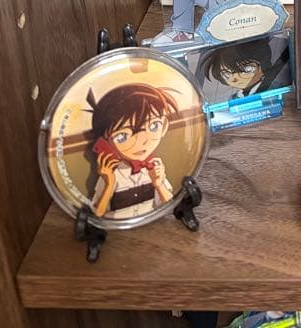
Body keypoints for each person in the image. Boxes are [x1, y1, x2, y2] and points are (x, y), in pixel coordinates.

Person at [88, 84, 177, 220]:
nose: (141, 141)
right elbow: (98, 214)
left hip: (152, 222)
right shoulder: (110, 174)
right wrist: (109, 185)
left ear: (164, 127)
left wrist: (158, 184)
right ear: (105, 141)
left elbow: (170, 205)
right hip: (116, 228)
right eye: (122, 136)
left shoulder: (155, 169)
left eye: (154, 126)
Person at [197, 37, 290, 99]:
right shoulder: (234, 98)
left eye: (246, 70)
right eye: (226, 74)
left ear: (263, 66)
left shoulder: (275, 88)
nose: (234, 79)